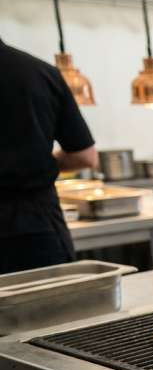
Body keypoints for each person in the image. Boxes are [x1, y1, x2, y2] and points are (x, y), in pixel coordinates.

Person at [0, 37, 97, 275]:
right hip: (36, 227)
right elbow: (85, 157)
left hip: (33, 220)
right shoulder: (39, 72)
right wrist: (37, 162)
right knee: (54, 309)